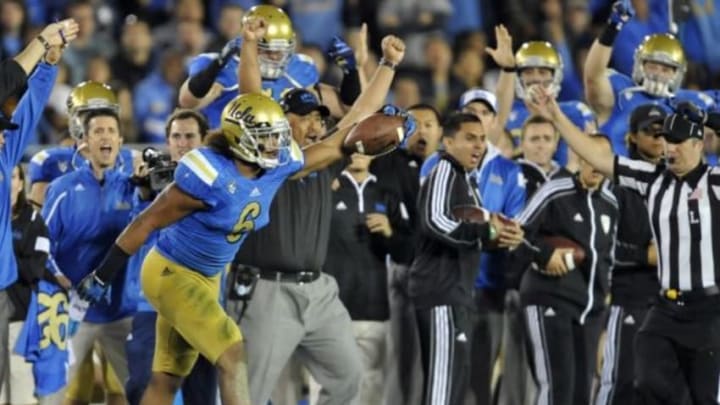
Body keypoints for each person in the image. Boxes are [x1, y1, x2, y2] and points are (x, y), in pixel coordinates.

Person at [75, 27, 409, 404]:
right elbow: (147, 221)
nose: (276, 143)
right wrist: (103, 274)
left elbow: (347, 129)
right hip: (172, 273)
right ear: (243, 138)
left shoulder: (281, 163)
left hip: (207, 278)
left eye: (275, 135)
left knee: (167, 380)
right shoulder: (210, 175)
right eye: (266, 136)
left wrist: (387, 71)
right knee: (232, 354)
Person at [228, 19, 410, 405]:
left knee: (348, 379)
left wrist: (388, 65)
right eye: (306, 117)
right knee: (248, 394)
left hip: (319, 290)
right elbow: (250, 98)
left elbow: (361, 112)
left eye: (319, 117)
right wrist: (248, 44)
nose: (316, 124)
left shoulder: (325, 158)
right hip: (266, 290)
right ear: (279, 123)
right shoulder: (265, 160)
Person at [528, 82, 720, 405]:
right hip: (665, 307)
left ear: (699, 144)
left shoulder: (715, 181)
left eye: (679, 142)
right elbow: (596, 156)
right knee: (645, 381)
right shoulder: (651, 178)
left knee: (705, 396)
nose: (670, 148)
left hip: (709, 309)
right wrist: (556, 116)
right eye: (667, 141)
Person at [410, 112, 524, 405]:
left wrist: (500, 238)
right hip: (440, 290)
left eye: (483, 139)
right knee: (442, 388)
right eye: (470, 138)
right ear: (448, 141)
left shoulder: (465, 179)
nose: (478, 146)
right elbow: (435, 221)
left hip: (456, 290)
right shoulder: (446, 170)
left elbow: (469, 235)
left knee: (453, 385)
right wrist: (486, 231)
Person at [509, 134, 618, 405]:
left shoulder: (612, 204)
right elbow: (513, 234)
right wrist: (544, 254)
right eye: (589, 157)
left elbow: (610, 262)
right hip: (550, 298)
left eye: (601, 159)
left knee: (582, 393)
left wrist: (605, 317)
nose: (595, 165)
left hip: (590, 311)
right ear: (579, 158)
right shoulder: (555, 191)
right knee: (557, 389)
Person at [40, 107, 137, 405]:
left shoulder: (136, 190)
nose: (105, 136)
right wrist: (58, 278)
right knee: (51, 396)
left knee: (141, 394)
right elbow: (42, 246)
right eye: (98, 131)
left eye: (111, 131)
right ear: (83, 142)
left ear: (120, 140)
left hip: (123, 310)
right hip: (72, 312)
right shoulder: (62, 190)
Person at [124, 109, 217, 405]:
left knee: (200, 395)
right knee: (141, 386)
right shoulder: (150, 185)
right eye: (176, 136)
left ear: (204, 141)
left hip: (202, 303)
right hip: (153, 305)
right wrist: (141, 195)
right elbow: (132, 236)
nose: (182, 143)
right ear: (167, 141)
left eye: (190, 136)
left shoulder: (220, 184)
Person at [178, 5, 362, 128]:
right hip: (227, 157)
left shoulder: (300, 67)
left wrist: (351, 72)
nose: (275, 57)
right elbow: (187, 102)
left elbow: (347, 109)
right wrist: (217, 65)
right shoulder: (220, 66)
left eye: (280, 50)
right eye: (267, 50)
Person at [323, 152, 411, 405]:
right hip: (331, 307)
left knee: (372, 381)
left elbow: (405, 252)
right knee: (329, 381)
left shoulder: (387, 194)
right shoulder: (327, 188)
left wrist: (389, 232)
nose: (359, 153)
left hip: (374, 306)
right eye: (354, 147)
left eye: (366, 147)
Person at [0, 43, 60, 397]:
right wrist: (39, 46)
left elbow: (29, 112)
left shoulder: (4, 161)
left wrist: (48, 66)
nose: (4, 135)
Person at [594, 105, 663, 404]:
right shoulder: (618, 183)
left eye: (663, 132)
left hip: (665, 302)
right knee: (619, 380)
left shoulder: (673, 182)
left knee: (657, 386)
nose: (658, 138)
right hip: (627, 297)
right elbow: (599, 243)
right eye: (650, 131)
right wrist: (641, 256)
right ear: (632, 137)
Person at [583, 1, 714, 156]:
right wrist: (612, 27)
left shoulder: (687, 102)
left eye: (666, 69)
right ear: (639, 65)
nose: (658, 73)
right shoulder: (621, 91)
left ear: (677, 74)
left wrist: (706, 119)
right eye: (653, 66)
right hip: (616, 175)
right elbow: (593, 76)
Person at [491, 25, 596, 169]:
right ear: (518, 77)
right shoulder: (507, 113)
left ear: (556, 76)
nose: (535, 78)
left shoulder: (575, 112)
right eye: (528, 72)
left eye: (542, 72)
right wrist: (507, 68)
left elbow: (591, 159)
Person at [28, 81, 139, 209]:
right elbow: (37, 221)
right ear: (74, 121)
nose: (98, 123)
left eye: (105, 115)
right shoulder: (51, 161)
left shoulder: (135, 160)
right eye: (88, 117)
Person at [1, 165, 51, 405]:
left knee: (21, 392)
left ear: (21, 184)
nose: (6, 182)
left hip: (20, 320)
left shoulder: (33, 221)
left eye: (12, 177)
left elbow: (35, 270)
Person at [0, 19, 77, 106]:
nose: (33, 40)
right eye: (33, 37)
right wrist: (44, 40)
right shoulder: (16, 60)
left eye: (37, 36)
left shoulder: (57, 63)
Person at [517, 114, 572, 199]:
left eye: (547, 139)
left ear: (555, 145)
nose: (541, 145)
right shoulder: (510, 176)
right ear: (521, 145)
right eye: (535, 139)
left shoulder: (568, 177)